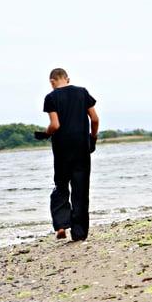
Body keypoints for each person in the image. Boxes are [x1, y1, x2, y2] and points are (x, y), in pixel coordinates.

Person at [42, 68, 99, 241]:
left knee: (60, 186)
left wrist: (46, 133)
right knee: (80, 190)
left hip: (62, 149)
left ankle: (60, 225)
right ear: (67, 78)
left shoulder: (51, 97)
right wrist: (92, 137)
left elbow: (55, 125)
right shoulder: (82, 92)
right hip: (81, 148)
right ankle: (79, 233)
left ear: (52, 81)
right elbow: (95, 119)